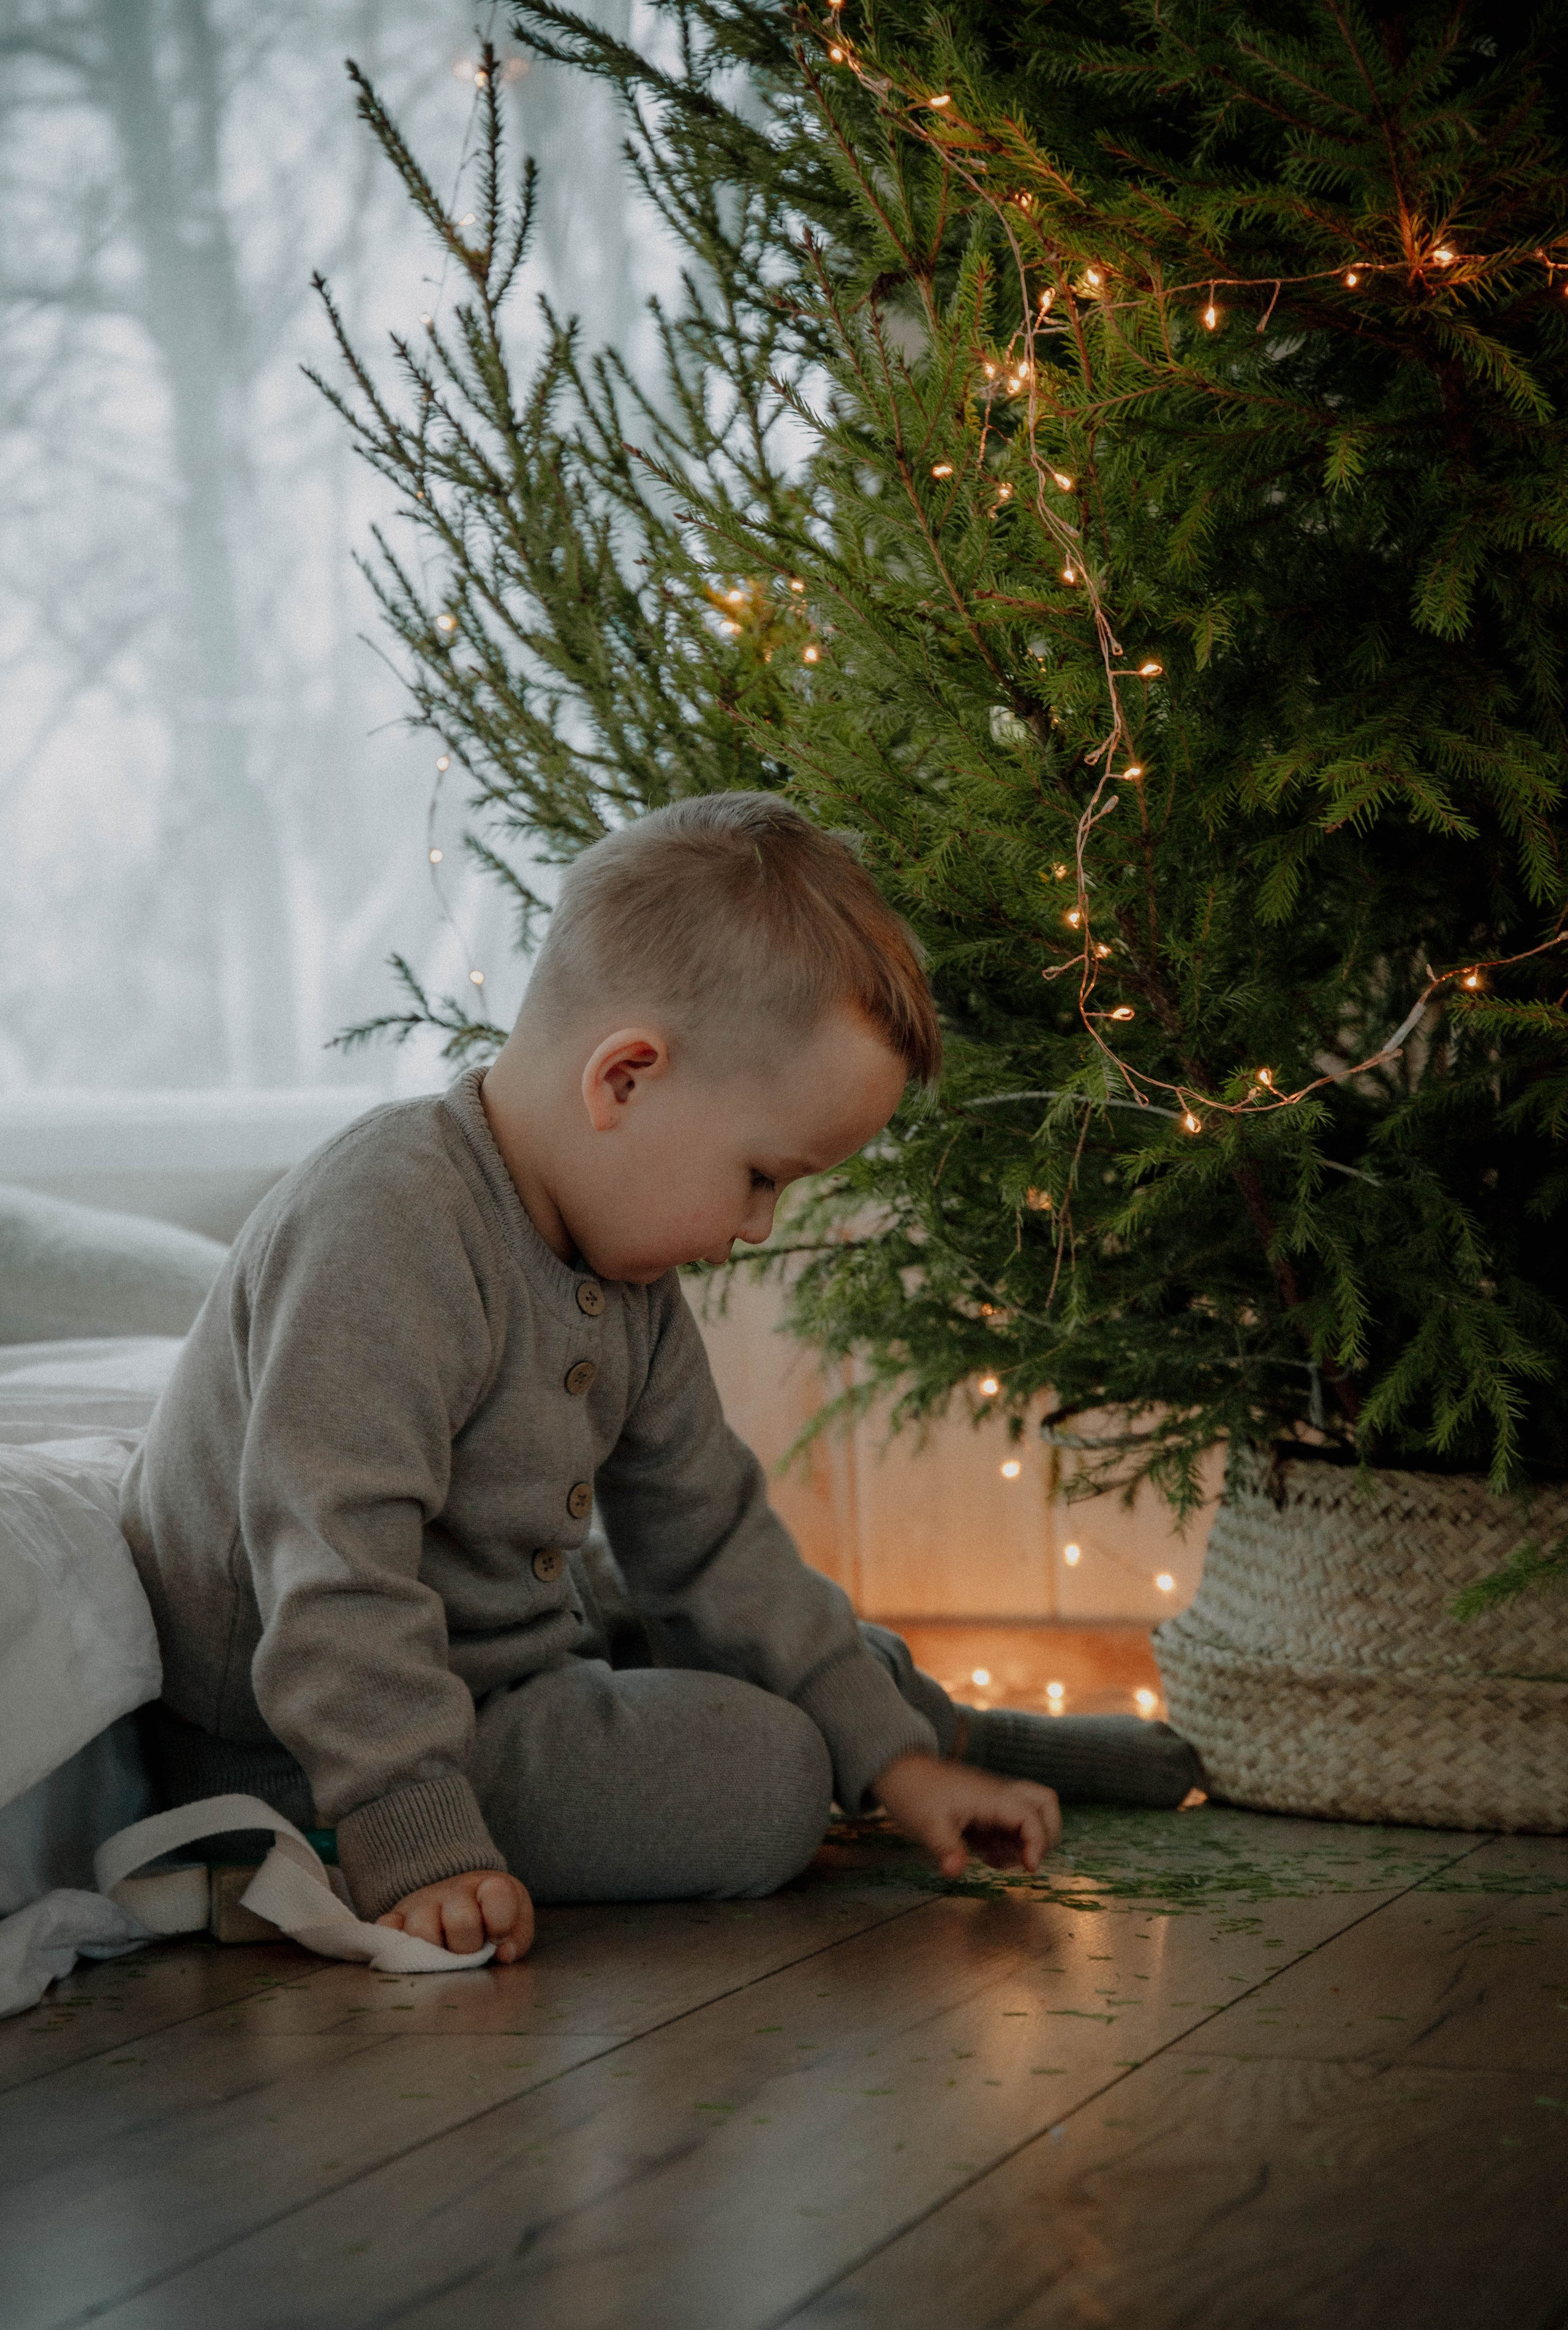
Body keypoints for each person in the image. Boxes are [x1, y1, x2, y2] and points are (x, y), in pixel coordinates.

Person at [122, 793, 1200, 1965]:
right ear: (625, 1080)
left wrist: (890, 1762)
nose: (756, 1226)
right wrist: (413, 1835)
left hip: (505, 1663)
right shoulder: (386, 1227)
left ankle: (936, 1748)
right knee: (770, 1773)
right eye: (758, 1177)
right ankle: (885, 1754)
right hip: (320, 1750)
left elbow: (710, 1537)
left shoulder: (620, 1272)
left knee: (764, 1625)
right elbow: (331, 1575)